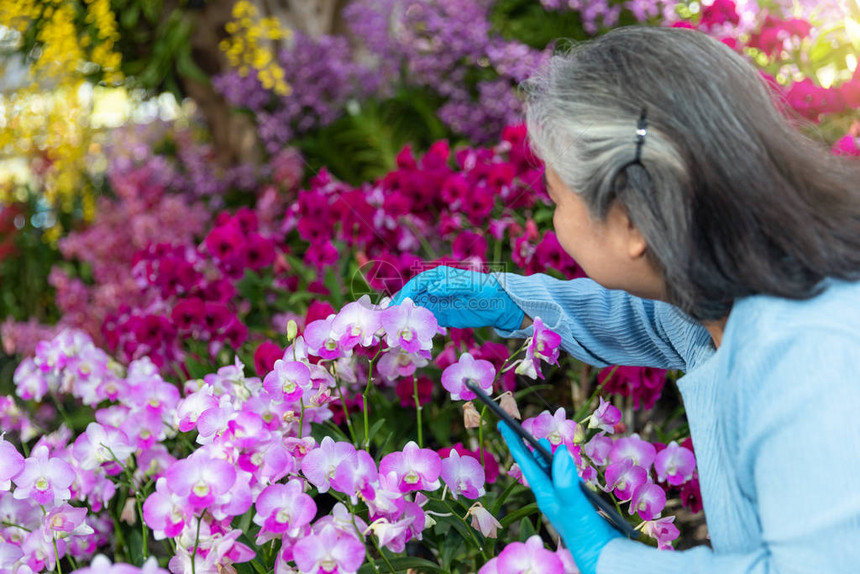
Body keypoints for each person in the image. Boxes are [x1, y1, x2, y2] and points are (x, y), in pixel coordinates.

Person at [391, 25, 860, 574]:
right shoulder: (738, 293)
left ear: (632, 223)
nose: (555, 218)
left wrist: (609, 558)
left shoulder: (809, 362)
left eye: (556, 199)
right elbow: (654, 320)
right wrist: (511, 302)